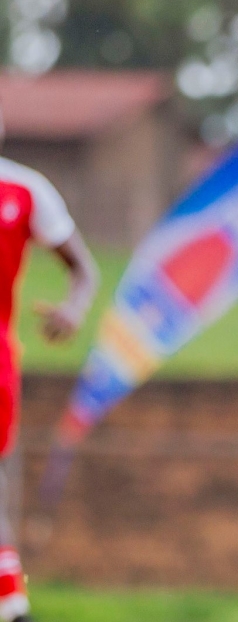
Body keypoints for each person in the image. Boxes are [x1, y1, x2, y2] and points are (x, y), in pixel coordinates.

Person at [0, 106, 100, 622]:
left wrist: (74, 308)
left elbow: (84, 268)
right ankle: (14, 607)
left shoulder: (23, 189)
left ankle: (14, 608)